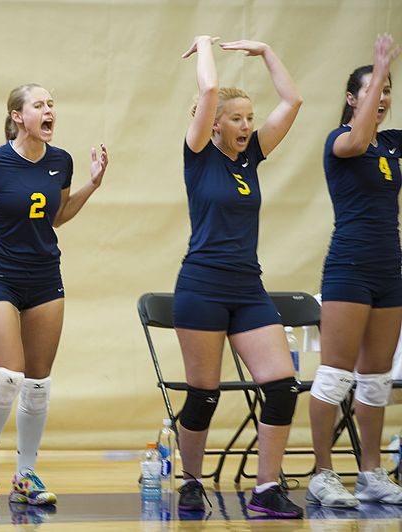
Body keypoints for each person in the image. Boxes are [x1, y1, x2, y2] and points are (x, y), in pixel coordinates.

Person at [0, 83, 108, 510]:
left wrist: (91, 184)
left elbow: (58, 216)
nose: (49, 110)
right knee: (8, 376)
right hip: (0, 276)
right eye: (39, 104)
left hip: (45, 278)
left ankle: (25, 474)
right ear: (18, 116)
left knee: (37, 384)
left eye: (52, 103)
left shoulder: (61, 162)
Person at [172, 35, 303, 517]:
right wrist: (205, 43)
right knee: (203, 394)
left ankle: (266, 490)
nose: (247, 125)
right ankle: (189, 481)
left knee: (281, 385)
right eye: (237, 118)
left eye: (250, 118)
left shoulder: (252, 157)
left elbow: (293, 101)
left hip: (248, 287)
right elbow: (207, 93)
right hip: (201, 287)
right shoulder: (199, 153)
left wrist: (268, 51)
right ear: (215, 124)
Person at [306, 33, 402, 508]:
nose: (383, 97)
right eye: (372, 90)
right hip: (349, 268)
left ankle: (371, 472)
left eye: (387, 91)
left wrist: (382, 76)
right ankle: (322, 473)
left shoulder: (392, 145)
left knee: (377, 378)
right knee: (335, 376)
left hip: (390, 269)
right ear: (351, 99)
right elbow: (359, 137)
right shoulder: (342, 140)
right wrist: (381, 66)